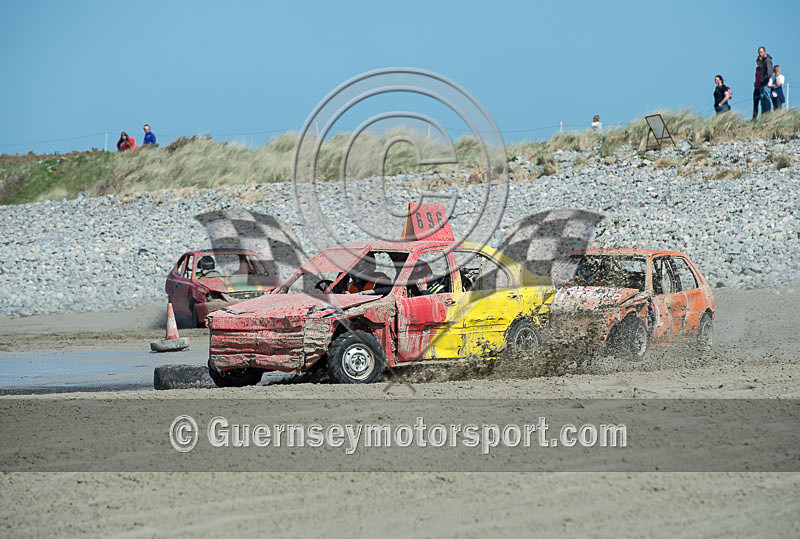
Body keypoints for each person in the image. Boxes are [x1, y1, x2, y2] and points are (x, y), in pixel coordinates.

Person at [757, 46, 774, 115]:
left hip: (765, 84)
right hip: (762, 85)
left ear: (764, 52)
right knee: (763, 102)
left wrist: (763, 80)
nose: (760, 54)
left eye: (761, 52)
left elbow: (769, 73)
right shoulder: (763, 61)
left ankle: (768, 115)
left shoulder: (767, 61)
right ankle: (764, 116)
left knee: (766, 100)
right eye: (759, 53)